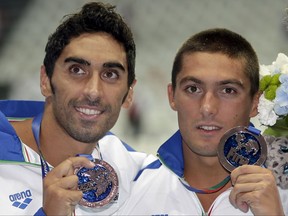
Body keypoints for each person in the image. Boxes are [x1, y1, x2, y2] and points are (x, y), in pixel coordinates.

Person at [0, 2, 154, 215]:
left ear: (129, 94)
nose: (93, 91)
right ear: (45, 80)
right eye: (76, 70)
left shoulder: (136, 175)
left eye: (110, 74)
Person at [118, 28, 288, 215]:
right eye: (193, 89)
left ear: (255, 103)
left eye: (228, 90)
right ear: (172, 96)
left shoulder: (282, 197)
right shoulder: (129, 190)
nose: (207, 107)